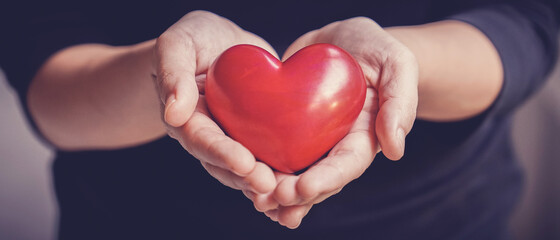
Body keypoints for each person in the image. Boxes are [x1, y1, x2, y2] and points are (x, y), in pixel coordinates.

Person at [1, 0, 558, 239]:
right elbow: (45, 71)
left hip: (441, 224)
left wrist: (398, 63)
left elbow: (530, 25)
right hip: (137, 223)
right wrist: (160, 74)